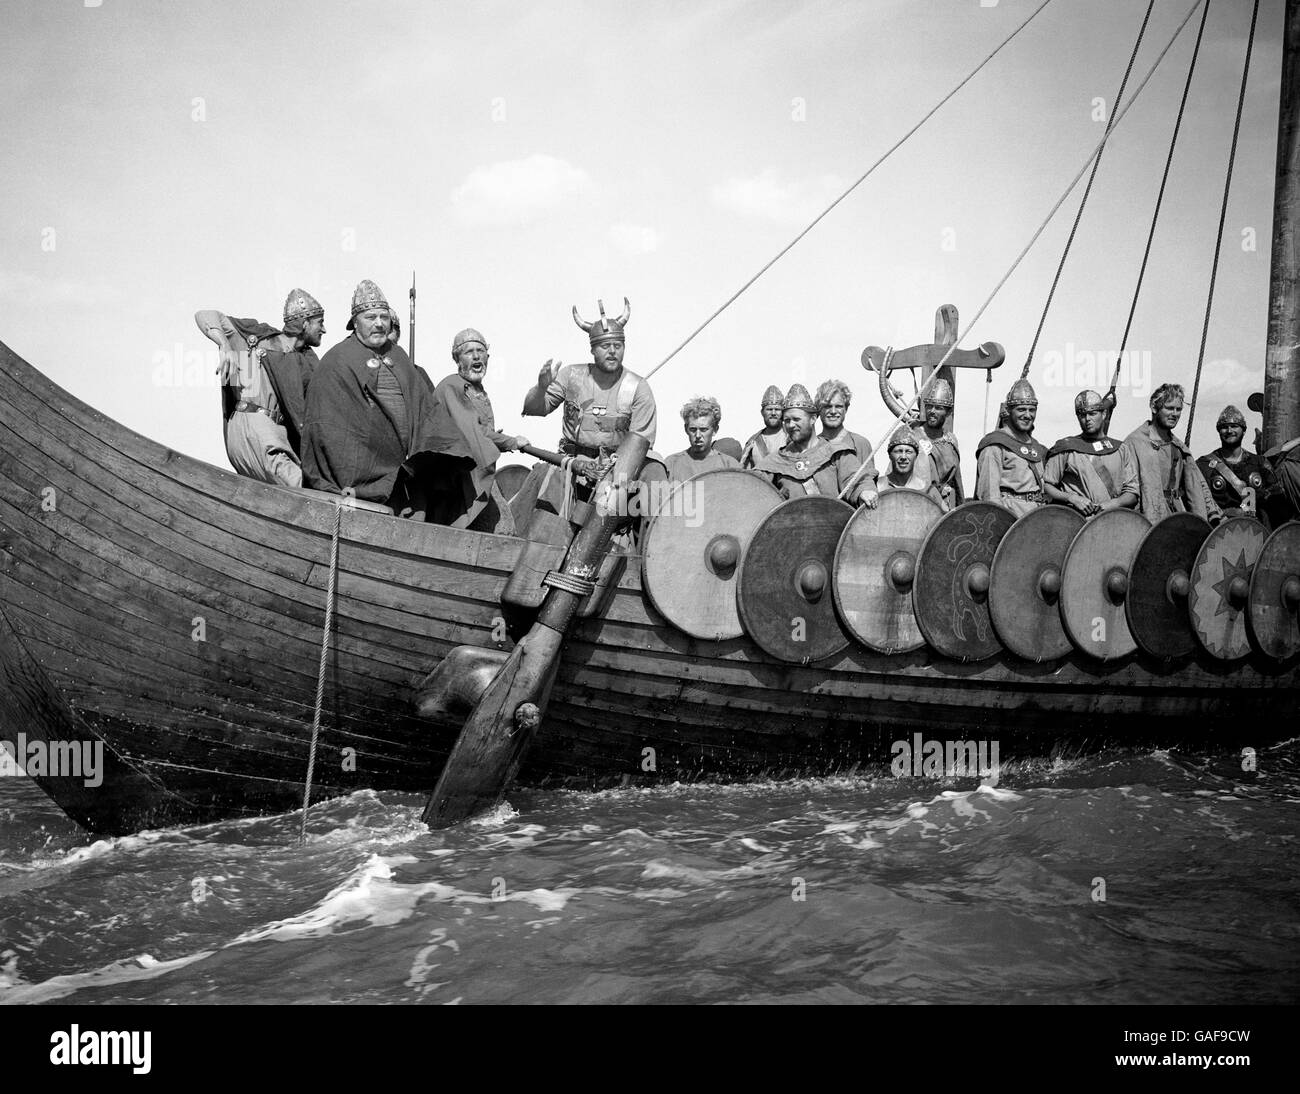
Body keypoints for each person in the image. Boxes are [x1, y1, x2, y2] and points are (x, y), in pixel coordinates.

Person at [520, 297, 657, 529]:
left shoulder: (638, 387)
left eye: (618, 345)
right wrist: (541, 387)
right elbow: (534, 409)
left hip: (615, 472)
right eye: (605, 346)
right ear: (592, 349)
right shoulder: (571, 376)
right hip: (569, 465)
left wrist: (612, 479)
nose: (612, 351)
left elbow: (640, 442)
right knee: (541, 515)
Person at [301, 279, 434, 516]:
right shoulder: (337, 361)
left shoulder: (399, 356)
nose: (379, 324)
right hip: (360, 479)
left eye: (384, 317)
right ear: (355, 322)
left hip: (406, 474)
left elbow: (426, 409)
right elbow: (327, 427)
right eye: (371, 318)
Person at [195, 288, 325, 487]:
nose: (323, 330)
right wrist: (225, 346)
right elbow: (205, 315)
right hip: (257, 431)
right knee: (305, 490)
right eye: (320, 323)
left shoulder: (306, 361)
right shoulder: (256, 338)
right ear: (305, 323)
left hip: (274, 436)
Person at [424, 328, 529, 531]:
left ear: (488, 357)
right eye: (468, 351)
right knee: (502, 528)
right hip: (456, 478)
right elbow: (472, 432)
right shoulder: (452, 387)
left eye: (480, 351)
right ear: (457, 358)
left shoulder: (476, 390)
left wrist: (496, 438)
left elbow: (480, 430)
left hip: (468, 473)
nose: (476, 356)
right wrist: (512, 441)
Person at [751, 384, 878, 505]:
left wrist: (864, 491)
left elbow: (855, 479)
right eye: (787, 420)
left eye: (796, 419)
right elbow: (751, 488)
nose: (790, 425)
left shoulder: (837, 453)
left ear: (813, 419)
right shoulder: (775, 462)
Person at [1120, 383, 1221, 523]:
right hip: (1146, 517)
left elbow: (1198, 483)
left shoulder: (1180, 448)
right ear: (1154, 408)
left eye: (1178, 409)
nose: (1175, 414)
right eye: (1169, 408)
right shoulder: (1134, 443)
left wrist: (1212, 514)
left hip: (1176, 517)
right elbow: (1127, 489)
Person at [1043, 389, 1138, 517]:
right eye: (1082, 415)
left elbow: (1132, 492)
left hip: (1112, 520)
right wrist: (1072, 498)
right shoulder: (1066, 448)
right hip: (1075, 520)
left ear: (1104, 414)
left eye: (1092, 414)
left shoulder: (1121, 449)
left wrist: (1114, 503)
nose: (1087, 419)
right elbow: (1047, 486)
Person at [975, 379, 1048, 517]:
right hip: (1010, 516)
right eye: (1021, 409)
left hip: (1037, 516)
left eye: (1031, 410)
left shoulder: (1037, 447)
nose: (1027, 415)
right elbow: (989, 494)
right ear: (1009, 411)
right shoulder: (995, 445)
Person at [1196, 405, 1269, 520]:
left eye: (1234, 426)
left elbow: (1275, 503)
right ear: (1219, 431)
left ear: (1244, 431)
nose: (1229, 431)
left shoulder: (1259, 463)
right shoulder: (1204, 465)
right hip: (1218, 529)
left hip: (1254, 530)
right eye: (1224, 427)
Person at [663, 397, 741, 481]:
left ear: (715, 430)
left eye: (703, 429)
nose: (697, 435)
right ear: (686, 429)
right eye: (693, 429)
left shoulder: (729, 465)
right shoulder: (672, 464)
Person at [916, 377, 964, 507]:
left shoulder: (951, 440)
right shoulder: (914, 436)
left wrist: (961, 507)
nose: (932, 411)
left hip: (948, 502)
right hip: (922, 500)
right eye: (929, 407)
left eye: (938, 408)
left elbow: (957, 479)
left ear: (948, 412)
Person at [879, 427, 946, 507]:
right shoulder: (877, 487)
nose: (903, 457)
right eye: (898, 451)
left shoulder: (929, 491)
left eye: (908, 452)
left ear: (916, 456)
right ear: (890, 455)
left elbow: (946, 518)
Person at [816, 379, 873, 464]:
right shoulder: (813, 445)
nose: (833, 411)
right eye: (828, 406)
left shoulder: (860, 444)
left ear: (846, 408)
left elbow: (868, 476)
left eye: (838, 406)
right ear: (819, 409)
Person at [741, 385, 786, 468]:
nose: (773, 413)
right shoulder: (753, 442)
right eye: (769, 409)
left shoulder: (791, 438)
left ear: (783, 412)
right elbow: (745, 475)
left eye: (777, 409)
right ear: (762, 412)